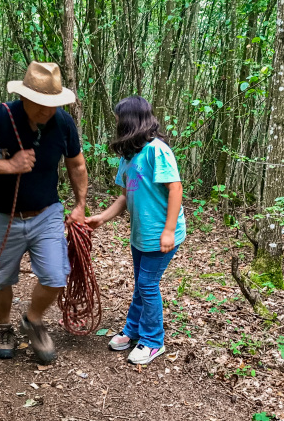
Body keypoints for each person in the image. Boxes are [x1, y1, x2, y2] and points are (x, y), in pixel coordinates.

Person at [0, 61, 88, 364]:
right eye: (40, 103)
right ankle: (3, 328)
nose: (47, 110)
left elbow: (76, 164)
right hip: (0, 215)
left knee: (56, 275)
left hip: (46, 214)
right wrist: (9, 165)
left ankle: (33, 319)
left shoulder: (63, 122)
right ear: (24, 96)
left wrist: (79, 205)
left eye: (52, 104)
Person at [85, 96, 186, 365]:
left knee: (147, 285)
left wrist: (168, 231)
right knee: (142, 284)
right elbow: (123, 197)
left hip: (161, 234)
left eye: (118, 119)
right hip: (140, 234)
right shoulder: (128, 156)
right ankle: (132, 330)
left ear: (130, 120)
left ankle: (153, 341)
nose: (116, 124)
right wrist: (101, 218)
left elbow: (175, 189)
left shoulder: (157, 150)